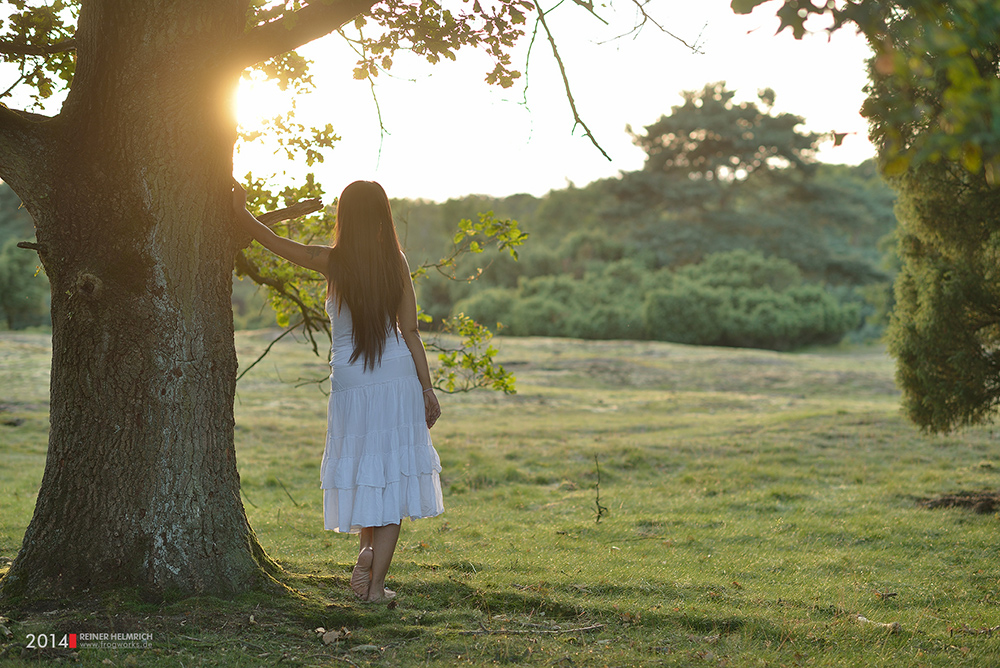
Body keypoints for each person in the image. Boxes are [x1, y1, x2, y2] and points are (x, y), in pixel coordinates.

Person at [232, 179, 444, 603]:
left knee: (367, 470)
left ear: (343, 217)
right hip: (398, 376)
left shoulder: (331, 261)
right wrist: (427, 387)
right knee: (392, 474)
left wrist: (239, 211)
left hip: (350, 382)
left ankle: (367, 556)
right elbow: (412, 330)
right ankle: (375, 584)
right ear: (383, 216)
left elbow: (273, 242)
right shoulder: (396, 262)